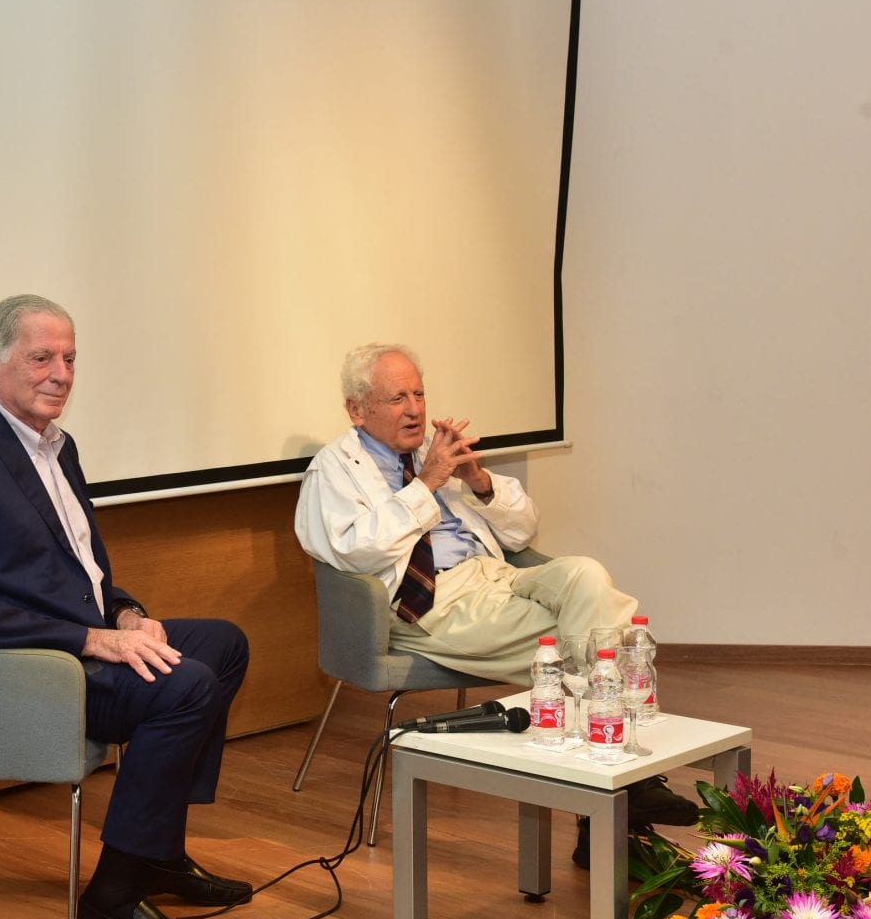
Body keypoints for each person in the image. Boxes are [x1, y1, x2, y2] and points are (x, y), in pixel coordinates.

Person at [0, 294, 251, 919]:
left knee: (222, 644)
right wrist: (95, 640)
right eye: (41, 357)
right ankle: (113, 900)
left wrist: (125, 614)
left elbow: (79, 571)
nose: (60, 372)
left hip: (85, 644)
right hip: (29, 673)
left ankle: (158, 854)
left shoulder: (58, 449)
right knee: (185, 687)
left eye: (69, 358)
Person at [293, 343, 694, 865]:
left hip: (497, 576)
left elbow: (525, 529)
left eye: (418, 393)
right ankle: (619, 799)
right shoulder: (333, 472)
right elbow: (354, 551)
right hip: (431, 600)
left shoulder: (433, 457)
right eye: (396, 398)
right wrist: (427, 484)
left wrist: (477, 481)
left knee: (587, 577)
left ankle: (604, 792)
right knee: (602, 631)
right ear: (356, 409)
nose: (414, 408)